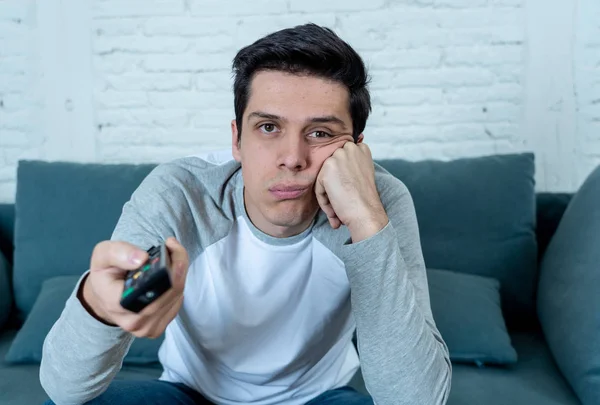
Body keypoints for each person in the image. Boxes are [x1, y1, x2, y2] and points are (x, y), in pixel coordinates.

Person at [40, 23, 451, 405]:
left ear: (357, 150)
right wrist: (97, 301)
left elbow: (415, 399)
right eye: (269, 127)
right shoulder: (181, 192)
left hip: (318, 397)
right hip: (189, 393)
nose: (292, 158)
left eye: (321, 133)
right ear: (237, 139)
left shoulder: (381, 202)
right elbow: (64, 389)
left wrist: (367, 221)